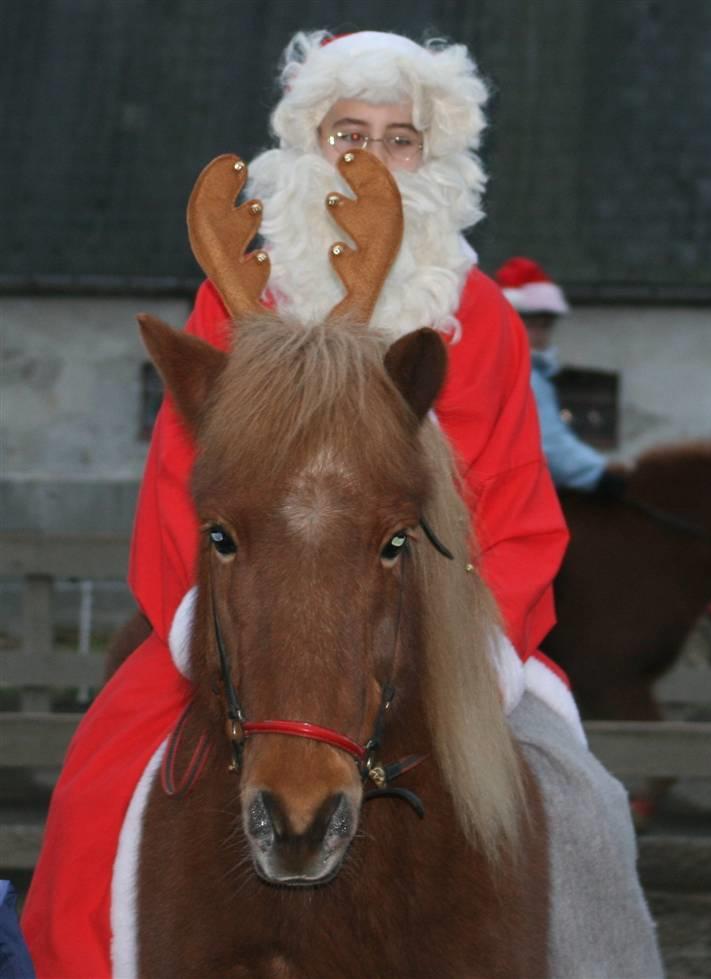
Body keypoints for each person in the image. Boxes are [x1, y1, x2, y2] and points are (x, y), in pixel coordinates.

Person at [22, 31, 662, 977]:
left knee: (589, 808)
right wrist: (206, 619)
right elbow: (176, 492)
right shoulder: (236, 304)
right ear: (306, 141)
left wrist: (480, 654)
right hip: (255, 625)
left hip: (440, 638)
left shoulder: (477, 313)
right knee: (96, 796)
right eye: (347, 130)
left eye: (399, 138)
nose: (371, 156)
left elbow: (523, 513)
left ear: (434, 152)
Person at [495, 256, 628, 498]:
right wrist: (599, 474)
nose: (541, 334)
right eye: (532, 324)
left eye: (545, 325)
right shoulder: (523, 376)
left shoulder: (520, 370)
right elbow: (548, 445)